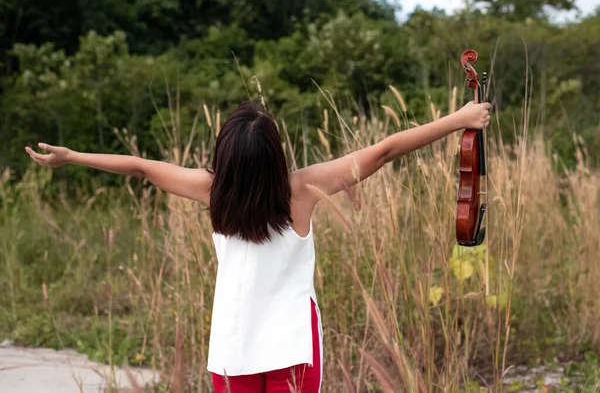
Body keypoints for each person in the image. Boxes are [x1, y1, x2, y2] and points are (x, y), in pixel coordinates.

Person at [25, 100, 491, 393]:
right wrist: (460, 119)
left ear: (224, 157)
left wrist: (72, 158)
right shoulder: (304, 188)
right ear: (276, 153)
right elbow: (385, 149)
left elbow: (140, 167)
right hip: (294, 348)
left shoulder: (211, 190)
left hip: (231, 349)